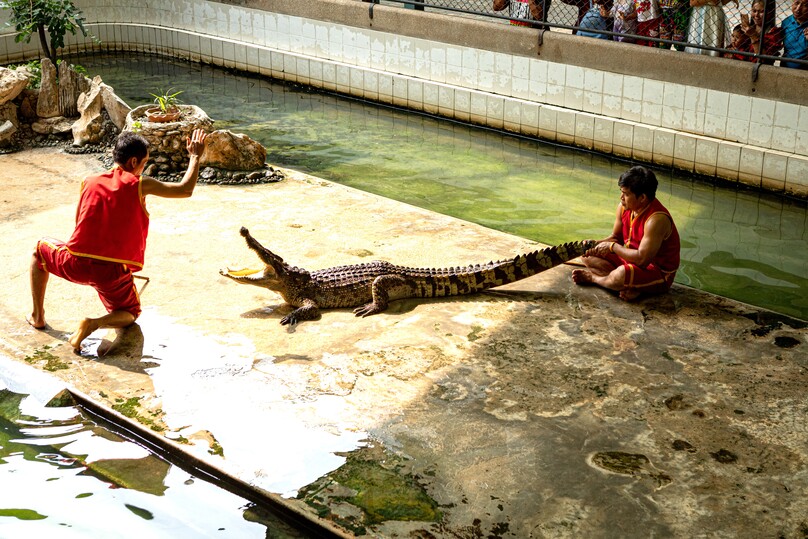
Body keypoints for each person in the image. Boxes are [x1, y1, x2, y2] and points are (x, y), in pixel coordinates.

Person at [28, 128, 208, 354]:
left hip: (75, 263)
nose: (143, 168)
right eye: (144, 163)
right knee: (130, 313)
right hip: (111, 273)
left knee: (39, 251)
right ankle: (94, 323)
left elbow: (79, 225)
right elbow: (185, 190)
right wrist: (195, 156)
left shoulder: (88, 180)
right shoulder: (140, 183)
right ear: (134, 161)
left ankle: (38, 317)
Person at [571, 166, 680, 301]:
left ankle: (595, 279)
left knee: (621, 274)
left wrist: (613, 247)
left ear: (642, 197)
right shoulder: (624, 207)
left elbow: (642, 260)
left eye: (626, 194)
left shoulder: (656, 220)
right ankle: (628, 285)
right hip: (628, 258)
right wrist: (594, 244)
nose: (621, 197)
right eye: (621, 192)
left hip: (657, 273)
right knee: (587, 254)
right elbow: (616, 238)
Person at [780, 0, 808, 69]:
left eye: (804, 5)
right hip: (785, 67)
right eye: (797, 3)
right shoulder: (786, 23)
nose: (798, 8)